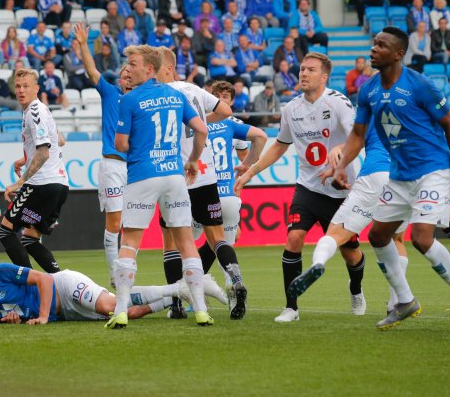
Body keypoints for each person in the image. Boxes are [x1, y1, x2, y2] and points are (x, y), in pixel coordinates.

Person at [331, 27, 450, 331]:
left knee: (421, 238)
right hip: (400, 174)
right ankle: (404, 301)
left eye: (381, 45)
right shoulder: (368, 90)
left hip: (433, 170)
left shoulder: (420, 85)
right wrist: (340, 167)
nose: (374, 49)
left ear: (398, 53)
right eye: (374, 43)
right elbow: (358, 134)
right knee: (377, 236)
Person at [235, 53, 366, 323]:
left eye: (311, 70)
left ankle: (356, 289)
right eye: (302, 69)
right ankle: (291, 307)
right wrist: (251, 171)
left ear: (324, 76)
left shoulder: (338, 103)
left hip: (340, 189)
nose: (303, 74)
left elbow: (358, 136)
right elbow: (279, 146)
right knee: (294, 240)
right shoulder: (291, 109)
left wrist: (341, 148)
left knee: (350, 253)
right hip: (307, 187)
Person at [109, 44, 212, 328]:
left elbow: (120, 144)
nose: (128, 68)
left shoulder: (129, 100)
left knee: (130, 242)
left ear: (150, 68)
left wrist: (139, 149)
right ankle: (201, 310)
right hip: (174, 176)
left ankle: (119, 310)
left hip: (143, 175)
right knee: (186, 243)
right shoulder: (176, 95)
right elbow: (201, 130)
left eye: (132, 63)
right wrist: (192, 160)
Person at [156, 47, 247, 320]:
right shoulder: (194, 89)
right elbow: (227, 110)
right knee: (216, 236)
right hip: (207, 174)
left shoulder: (161, 94)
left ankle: (177, 305)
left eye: (155, 67)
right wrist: (201, 121)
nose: (151, 71)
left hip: (177, 173)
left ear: (169, 68)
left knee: (171, 242)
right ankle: (236, 279)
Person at [288, 123, 409, 315]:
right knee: (396, 239)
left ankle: (318, 262)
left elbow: (353, 142)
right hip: (403, 178)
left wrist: (338, 163)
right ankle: (397, 303)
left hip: (373, 176)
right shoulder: (413, 109)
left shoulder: (372, 111)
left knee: (335, 234)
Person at [0, 263, 188, 324]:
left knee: (109, 306)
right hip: (65, 315)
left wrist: (42, 316)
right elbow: (17, 317)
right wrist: (14, 321)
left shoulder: (0, 272)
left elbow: (43, 278)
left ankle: (179, 288)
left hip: (63, 286)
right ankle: (171, 299)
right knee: (127, 314)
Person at [74, 23, 130, 284]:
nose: (127, 78)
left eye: (131, 74)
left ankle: (125, 272)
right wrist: (84, 44)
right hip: (112, 165)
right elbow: (92, 71)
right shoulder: (111, 94)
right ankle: (115, 276)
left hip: (137, 168)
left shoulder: (145, 100)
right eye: (124, 75)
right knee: (115, 222)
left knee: (131, 226)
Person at [0, 68, 69, 273]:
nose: (21, 90)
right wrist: (26, 158)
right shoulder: (42, 109)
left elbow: (44, 153)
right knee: (30, 239)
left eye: (26, 86)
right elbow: (60, 141)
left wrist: (19, 183)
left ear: (36, 88)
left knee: (6, 232)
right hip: (59, 185)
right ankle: (60, 283)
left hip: (41, 185)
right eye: (18, 86)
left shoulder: (34, 112)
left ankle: (30, 286)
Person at [206, 80, 268, 298]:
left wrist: (243, 167)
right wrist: (246, 166)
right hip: (228, 196)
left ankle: (186, 297)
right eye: (219, 96)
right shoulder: (233, 124)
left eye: (226, 97)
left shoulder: (197, 121)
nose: (223, 100)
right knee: (223, 246)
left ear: (232, 101)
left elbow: (242, 160)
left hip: (203, 193)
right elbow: (259, 139)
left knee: (185, 245)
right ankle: (233, 287)